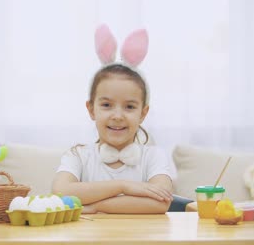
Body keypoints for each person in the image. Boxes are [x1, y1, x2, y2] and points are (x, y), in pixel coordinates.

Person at [52, 24, 174, 214]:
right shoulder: (78, 156)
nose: (117, 116)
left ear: (143, 113)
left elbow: (161, 203)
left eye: (130, 107)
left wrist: (96, 205)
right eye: (107, 105)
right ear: (91, 109)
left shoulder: (152, 156)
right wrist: (122, 186)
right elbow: (60, 192)